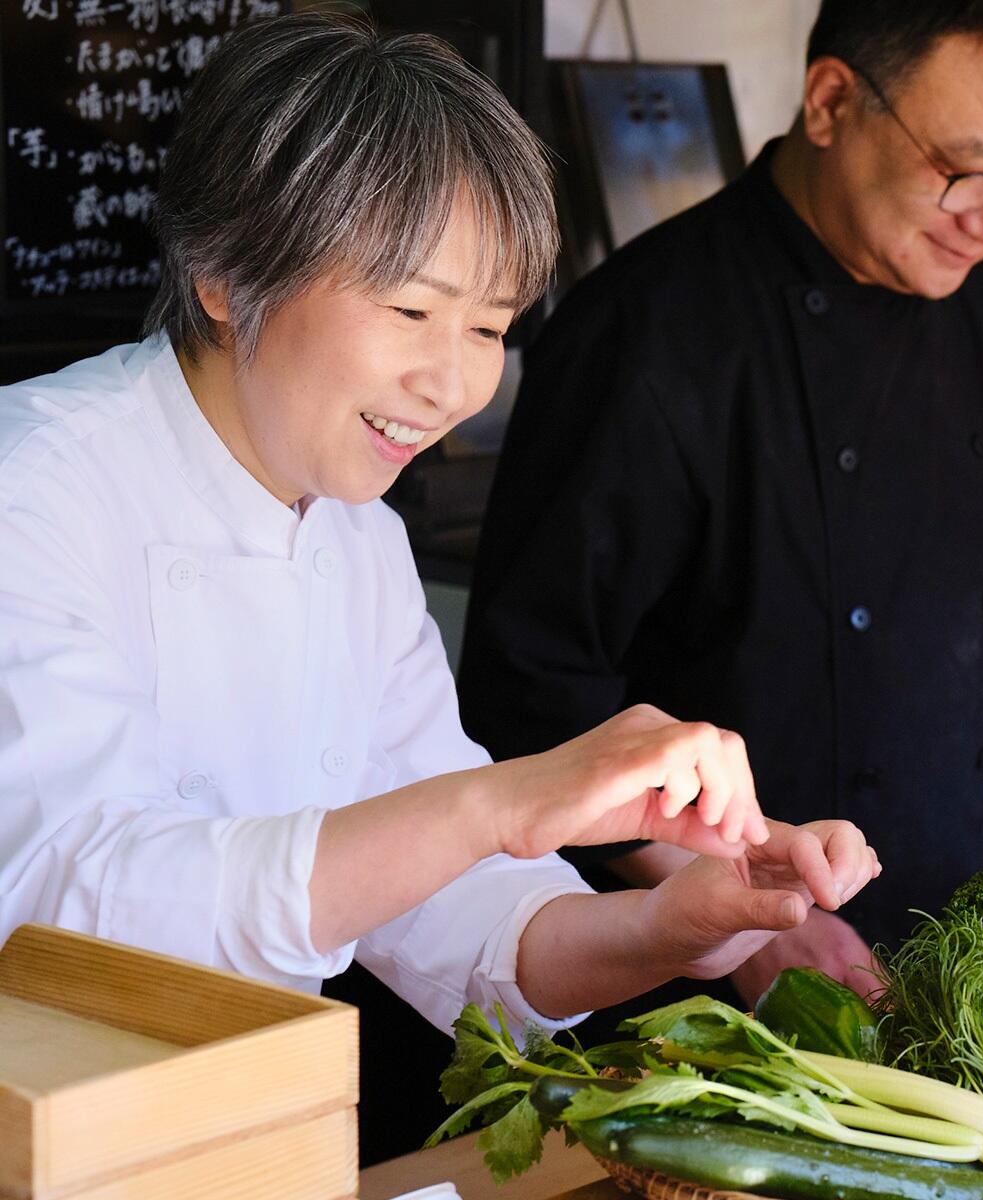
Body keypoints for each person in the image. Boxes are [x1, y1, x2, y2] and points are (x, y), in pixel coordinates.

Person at [0, 11, 878, 1155]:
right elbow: (63, 920)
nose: (453, 380)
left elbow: (457, 924)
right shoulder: (36, 487)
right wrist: (505, 802)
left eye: (489, 326)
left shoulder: (351, 526)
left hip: (252, 1140)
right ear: (223, 271)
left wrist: (673, 925)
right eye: (411, 310)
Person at [458, 0, 983, 1005]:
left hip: (970, 964)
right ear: (832, 101)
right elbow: (532, 694)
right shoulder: (644, 335)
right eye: (968, 171)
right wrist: (732, 925)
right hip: (699, 986)